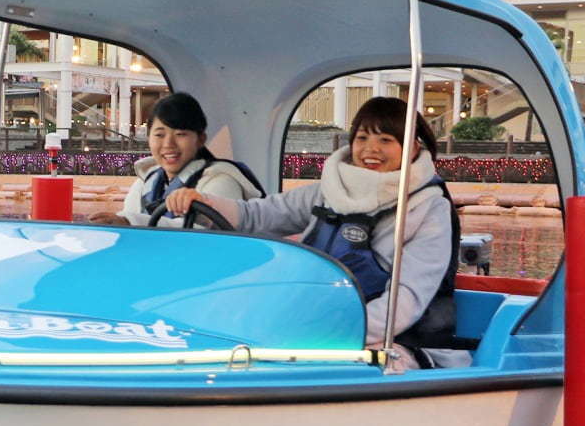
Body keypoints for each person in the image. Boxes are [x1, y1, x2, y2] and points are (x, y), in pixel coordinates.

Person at [166, 97, 467, 371]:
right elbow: (257, 216)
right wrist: (204, 202)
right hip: (317, 324)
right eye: (362, 138)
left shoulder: (429, 208)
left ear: (413, 147)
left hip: (399, 339)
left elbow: (406, 300)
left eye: (385, 140)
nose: (370, 149)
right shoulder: (328, 191)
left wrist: (333, 332)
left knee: (360, 368)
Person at [90, 92, 262, 227]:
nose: (168, 144)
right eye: (159, 134)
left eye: (180, 134)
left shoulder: (222, 182)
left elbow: (205, 237)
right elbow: (128, 218)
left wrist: (130, 222)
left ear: (201, 139)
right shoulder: (144, 183)